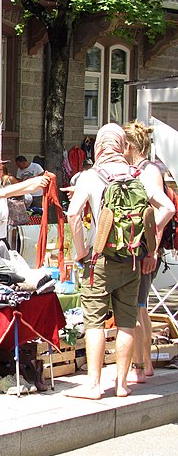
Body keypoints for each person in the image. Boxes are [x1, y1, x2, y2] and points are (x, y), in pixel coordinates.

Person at [65, 123, 173, 399]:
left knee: (94, 322)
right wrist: (147, 243)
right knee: (126, 321)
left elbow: (74, 215)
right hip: (132, 260)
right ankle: (123, 384)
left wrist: (80, 251)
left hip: (99, 260)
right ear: (122, 145)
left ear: (100, 146)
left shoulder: (91, 176)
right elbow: (169, 208)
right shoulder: (137, 174)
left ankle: (93, 385)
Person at [123, 121, 173, 384]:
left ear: (129, 146)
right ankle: (147, 365)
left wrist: (151, 245)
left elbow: (166, 210)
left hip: (145, 252)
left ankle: (138, 368)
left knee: (136, 308)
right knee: (141, 309)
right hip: (147, 251)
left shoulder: (146, 172)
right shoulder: (146, 169)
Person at [0, 151, 49, 262]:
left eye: (1, 169)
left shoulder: (1, 188)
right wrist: (33, 180)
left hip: (1, 243)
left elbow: (28, 190)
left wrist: (42, 183)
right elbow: (5, 193)